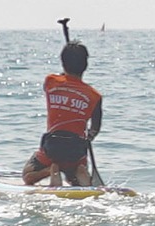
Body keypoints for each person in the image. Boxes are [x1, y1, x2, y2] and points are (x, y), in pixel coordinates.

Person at [21, 38, 104, 188]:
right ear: (85, 66)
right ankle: (80, 171)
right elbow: (95, 127)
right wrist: (89, 137)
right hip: (77, 149)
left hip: (52, 146)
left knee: (27, 176)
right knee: (76, 182)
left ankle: (50, 170)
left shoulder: (51, 81)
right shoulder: (95, 95)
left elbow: (62, 78)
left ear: (63, 63)